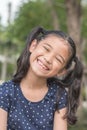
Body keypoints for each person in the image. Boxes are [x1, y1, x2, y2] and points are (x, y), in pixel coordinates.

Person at [0, 26, 83, 130]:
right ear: (33, 45)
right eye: (46, 49)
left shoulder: (58, 95)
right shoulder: (6, 91)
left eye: (58, 59)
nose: (48, 59)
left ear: (61, 71)